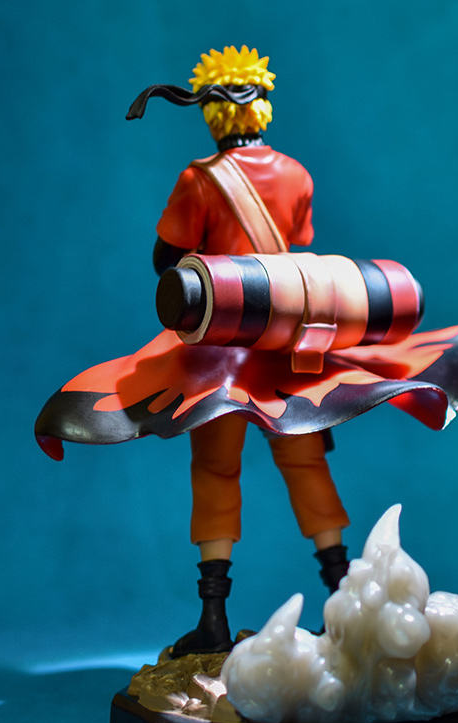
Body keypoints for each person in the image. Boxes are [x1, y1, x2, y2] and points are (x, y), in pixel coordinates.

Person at [132, 46, 351, 657]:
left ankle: (214, 620)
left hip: (220, 359)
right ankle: (345, 603)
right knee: (308, 468)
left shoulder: (198, 180)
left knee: (215, 472)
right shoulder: (297, 174)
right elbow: (297, 245)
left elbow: (165, 260)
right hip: (286, 350)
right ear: (262, 106)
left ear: (212, 112)